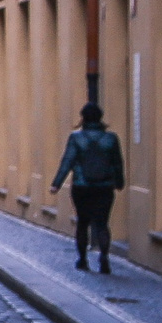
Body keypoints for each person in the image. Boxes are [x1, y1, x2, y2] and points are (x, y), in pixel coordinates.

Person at [49, 103, 125, 274]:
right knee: (102, 223)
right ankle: (104, 257)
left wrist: (56, 184)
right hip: (104, 187)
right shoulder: (111, 138)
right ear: (100, 118)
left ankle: (82, 259)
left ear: (83, 117)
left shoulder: (76, 138)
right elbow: (117, 163)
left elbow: (67, 161)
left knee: (82, 223)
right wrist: (119, 182)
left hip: (82, 187)